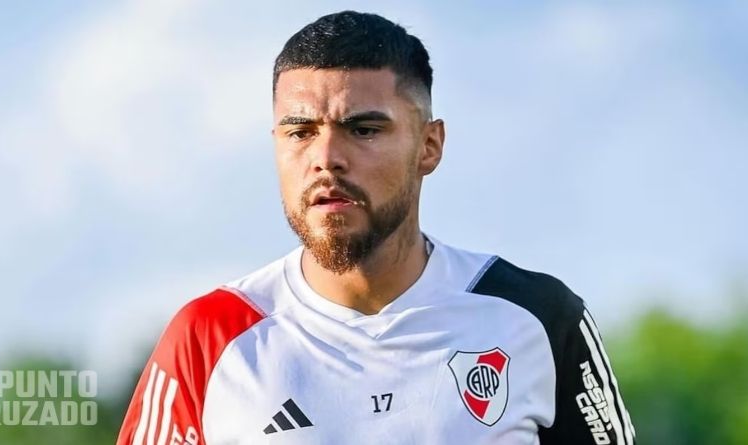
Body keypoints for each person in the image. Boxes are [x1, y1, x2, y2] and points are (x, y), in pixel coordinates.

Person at [117, 10, 635, 445]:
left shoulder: (536, 317)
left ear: (428, 146)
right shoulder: (210, 336)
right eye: (300, 132)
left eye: (363, 129)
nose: (326, 158)